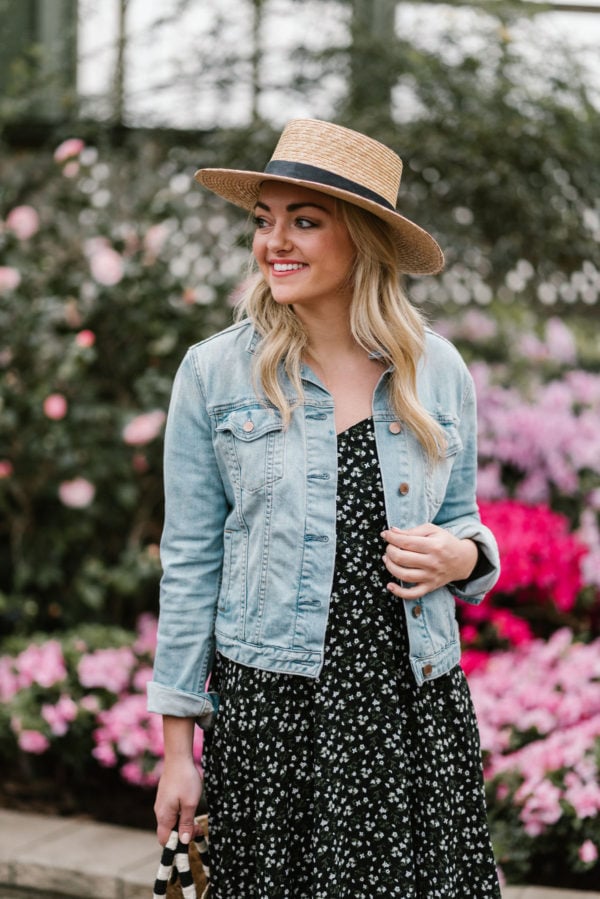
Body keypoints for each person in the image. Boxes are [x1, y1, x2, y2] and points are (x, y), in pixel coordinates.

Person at [148, 118, 501, 898]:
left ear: (365, 240)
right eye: (264, 220)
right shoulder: (215, 373)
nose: (275, 241)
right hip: (274, 714)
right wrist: (179, 750)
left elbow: (466, 524)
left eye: (304, 221)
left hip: (412, 710)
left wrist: (463, 556)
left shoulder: (435, 368)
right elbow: (190, 564)